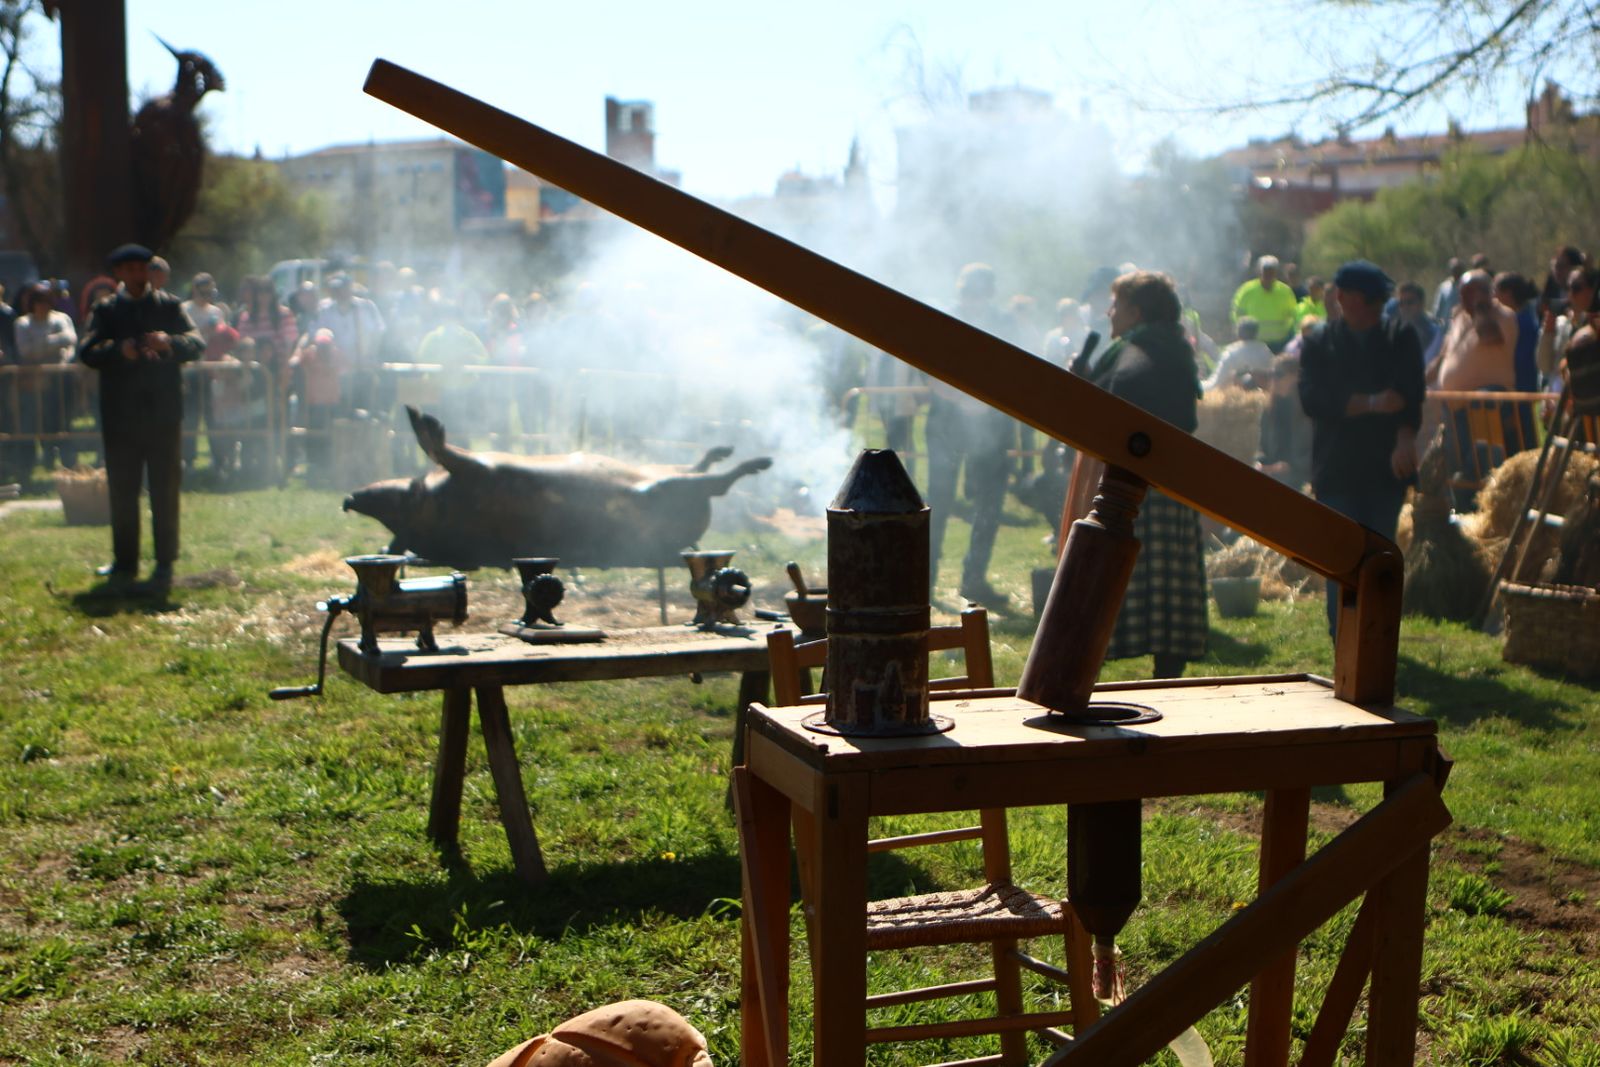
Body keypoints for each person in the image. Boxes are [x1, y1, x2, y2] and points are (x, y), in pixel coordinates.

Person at [1076, 269, 1208, 677]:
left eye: (1116, 305)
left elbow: (1100, 404)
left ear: (1135, 311)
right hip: (1173, 479)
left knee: (1113, 574)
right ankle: (1167, 673)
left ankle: (1083, 668)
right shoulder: (1176, 348)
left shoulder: (1130, 350)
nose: (1109, 312)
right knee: (1168, 582)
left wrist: (1079, 382)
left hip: (1130, 482)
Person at [1297, 260, 1424, 636]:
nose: (1378, 309)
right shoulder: (1319, 341)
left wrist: (1405, 438)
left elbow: (1409, 395)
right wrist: (1370, 403)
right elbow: (1313, 400)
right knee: (1341, 557)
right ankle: (1345, 642)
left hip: (1385, 468)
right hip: (1337, 468)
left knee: (1380, 558)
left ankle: (1377, 639)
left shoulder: (1399, 336)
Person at [76, 243, 204, 592]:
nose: (135, 275)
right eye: (128, 269)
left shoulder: (170, 306)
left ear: (149, 271)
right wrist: (120, 351)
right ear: (118, 273)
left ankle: (165, 561)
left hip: (163, 414)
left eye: (141, 268)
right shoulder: (106, 310)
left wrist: (169, 343)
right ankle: (125, 561)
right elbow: (86, 350)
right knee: (122, 491)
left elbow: (196, 343)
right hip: (121, 416)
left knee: (164, 489)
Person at [925, 262, 1021, 609]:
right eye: (968, 291)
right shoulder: (943, 321)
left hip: (992, 423)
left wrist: (984, 403)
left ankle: (974, 579)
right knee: (938, 502)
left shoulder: (1005, 323)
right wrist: (961, 400)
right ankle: (926, 581)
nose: (972, 299)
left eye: (979, 292)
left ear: (989, 294)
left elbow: (1014, 370)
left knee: (988, 506)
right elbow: (930, 372)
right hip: (946, 422)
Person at [12, 282, 79, 477]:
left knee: (63, 425)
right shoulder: (23, 323)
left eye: (45, 302)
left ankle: (71, 469)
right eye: (38, 302)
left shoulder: (61, 319)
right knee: (31, 425)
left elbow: (70, 339)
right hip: (32, 385)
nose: (42, 306)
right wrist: (54, 343)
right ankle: (27, 473)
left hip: (60, 382)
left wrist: (40, 345)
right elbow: (25, 351)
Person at [1428, 269, 1518, 392]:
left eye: (1470, 292)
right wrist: (1419, 383)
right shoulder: (1459, 318)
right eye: (1462, 292)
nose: (1463, 297)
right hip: (1453, 404)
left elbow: (1489, 337)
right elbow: (1443, 357)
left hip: (1488, 404)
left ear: (1486, 292)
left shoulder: (1503, 315)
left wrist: (1480, 306)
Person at [1254, 354, 1313, 489]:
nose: (1274, 379)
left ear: (1296, 376)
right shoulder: (1269, 409)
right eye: (1271, 374)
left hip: (1302, 478)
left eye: (1279, 374)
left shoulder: (1309, 410)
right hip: (1274, 475)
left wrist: (1290, 466)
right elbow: (1262, 447)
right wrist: (1260, 463)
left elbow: (1318, 451)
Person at [1231, 255, 1301, 352]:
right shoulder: (1247, 291)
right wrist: (1242, 333)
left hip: (1279, 343)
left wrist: (1290, 335)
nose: (1268, 275)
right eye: (1266, 271)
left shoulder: (1285, 292)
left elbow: (1294, 315)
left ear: (1276, 273)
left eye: (1271, 271)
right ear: (1260, 272)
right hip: (1254, 343)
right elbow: (1237, 313)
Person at [1202, 316, 1273, 391]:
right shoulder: (1266, 351)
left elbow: (1215, 385)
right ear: (1256, 333)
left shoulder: (1231, 354)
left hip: (1236, 395)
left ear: (1238, 333)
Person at [1433, 257, 1462, 322]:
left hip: (1461, 325)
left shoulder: (1466, 286)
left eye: (1458, 269)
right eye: (1454, 269)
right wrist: (1436, 321)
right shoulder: (1444, 287)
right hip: (1445, 325)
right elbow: (1438, 307)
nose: (1456, 271)